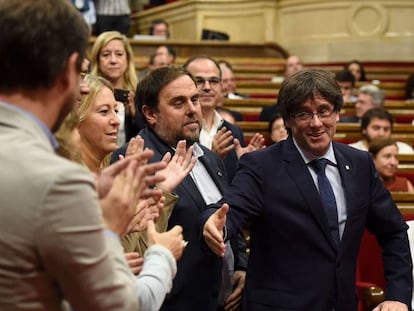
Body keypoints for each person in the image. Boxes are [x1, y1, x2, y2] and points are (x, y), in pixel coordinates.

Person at [0, 1, 185, 310]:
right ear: (67, 71)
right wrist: (157, 253)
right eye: (83, 74)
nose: (84, 89)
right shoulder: (57, 179)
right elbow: (116, 305)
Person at [202, 69, 412, 310]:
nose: (316, 123)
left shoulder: (360, 164)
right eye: (304, 114)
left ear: (337, 114)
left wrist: (397, 295)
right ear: (288, 120)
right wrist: (213, 222)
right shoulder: (261, 165)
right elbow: (231, 206)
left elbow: (394, 232)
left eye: (324, 111)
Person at [112, 66, 248, 311]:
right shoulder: (134, 161)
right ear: (150, 114)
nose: (193, 109)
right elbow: (132, 244)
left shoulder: (210, 157)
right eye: (178, 103)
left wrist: (240, 265)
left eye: (194, 99)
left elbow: (226, 213)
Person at [183, 55, 265, 182]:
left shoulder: (234, 131)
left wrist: (248, 165)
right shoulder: (177, 127)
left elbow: (236, 183)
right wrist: (212, 158)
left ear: (221, 86)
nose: (207, 87)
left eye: (214, 81)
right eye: (199, 81)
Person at [90, 31, 144, 144]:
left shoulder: (140, 95)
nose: (113, 60)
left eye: (119, 54)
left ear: (127, 59)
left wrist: (135, 117)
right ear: (97, 60)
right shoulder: (87, 94)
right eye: (106, 55)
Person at [349, 107, 414, 154]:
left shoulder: (405, 150)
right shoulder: (351, 151)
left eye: (386, 129)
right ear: (364, 130)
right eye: (376, 128)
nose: (381, 134)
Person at [261, 55, 304, 121]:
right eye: (291, 65)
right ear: (285, 72)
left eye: (298, 63)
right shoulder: (270, 111)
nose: (295, 67)